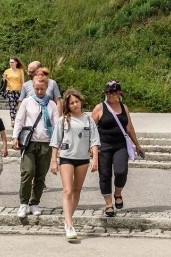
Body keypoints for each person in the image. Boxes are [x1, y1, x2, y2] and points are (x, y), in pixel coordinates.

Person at [50, 89, 100, 240]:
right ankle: (70, 225)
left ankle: (67, 219)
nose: (74, 104)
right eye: (71, 103)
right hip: (66, 158)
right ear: (68, 104)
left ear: (81, 101)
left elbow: (94, 141)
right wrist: (54, 160)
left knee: (77, 190)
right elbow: (55, 142)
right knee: (68, 190)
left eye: (76, 101)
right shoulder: (63, 120)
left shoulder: (88, 120)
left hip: (83, 159)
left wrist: (95, 159)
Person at [92, 80, 144, 217]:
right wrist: (92, 148)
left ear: (119, 94)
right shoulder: (100, 108)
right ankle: (109, 204)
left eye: (114, 93)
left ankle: (118, 193)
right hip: (104, 146)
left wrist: (137, 145)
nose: (111, 95)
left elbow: (129, 127)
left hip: (120, 145)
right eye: (108, 93)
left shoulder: (124, 107)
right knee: (105, 175)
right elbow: (91, 129)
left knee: (121, 171)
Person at [12, 73, 59, 218]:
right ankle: (23, 203)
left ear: (46, 88)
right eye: (37, 89)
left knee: (40, 175)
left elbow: (57, 125)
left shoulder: (51, 104)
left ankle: (34, 203)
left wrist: (58, 143)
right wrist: (15, 137)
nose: (39, 92)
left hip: (46, 143)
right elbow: (19, 120)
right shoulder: (27, 101)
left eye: (42, 89)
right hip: (30, 143)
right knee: (28, 171)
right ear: (33, 87)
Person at [3, 57, 25, 126]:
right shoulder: (7, 71)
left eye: (12, 62)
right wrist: (3, 79)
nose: (11, 63)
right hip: (10, 90)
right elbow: (3, 81)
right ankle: (12, 120)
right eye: (10, 62)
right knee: (12, 105)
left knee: (18, 106)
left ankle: (18, 119)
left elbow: (22, 82)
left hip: (18, 90)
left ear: (16, 63)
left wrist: (23, 91)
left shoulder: (20, 71)